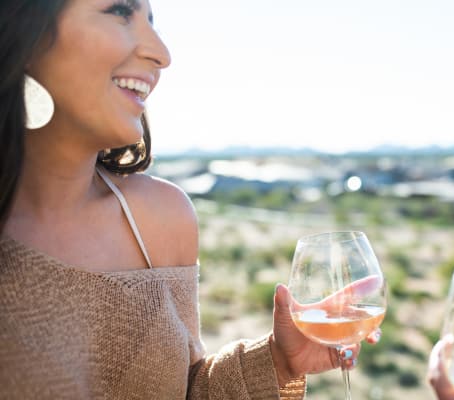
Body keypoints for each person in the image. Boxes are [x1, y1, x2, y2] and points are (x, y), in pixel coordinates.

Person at [0, 0, 378, 398]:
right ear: (22, 27)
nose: (161, 54)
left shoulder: (162, 220)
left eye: (151, 19)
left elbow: (183, 392)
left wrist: (279, 360)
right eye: (119, 11)